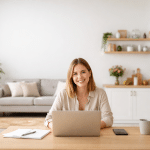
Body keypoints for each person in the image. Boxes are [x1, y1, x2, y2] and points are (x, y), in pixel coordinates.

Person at [44, 58, 113, 129]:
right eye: (75, 74)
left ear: (89, 73)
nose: (79, 77)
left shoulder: (100, 93)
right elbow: (48, 118)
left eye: (83, 72)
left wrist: (93, 126)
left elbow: (108, 118)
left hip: (92, 136)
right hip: (68, 136)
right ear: (71, 77)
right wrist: (56, 127)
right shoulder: (63, 94)